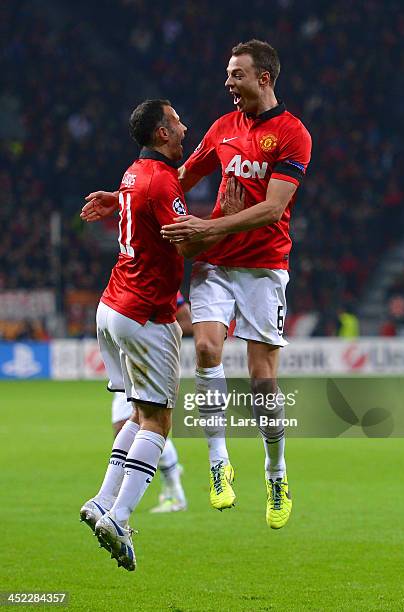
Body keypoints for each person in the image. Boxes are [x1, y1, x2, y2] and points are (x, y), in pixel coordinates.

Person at [81, 39, 312, 530]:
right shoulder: (222, 129)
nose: (228, 82)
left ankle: (276, 472)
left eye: (236, 74)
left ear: (264, 78)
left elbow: (273, 209)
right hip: (216, 266)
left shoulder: (293, 135)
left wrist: (211, 226)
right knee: (206, 349)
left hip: (265, 268)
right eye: (228, 74)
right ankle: (217, 462)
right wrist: (124, 197)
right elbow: (177, 178)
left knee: (262, 381)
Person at [80, 98, 243, 571]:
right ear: (159, 135)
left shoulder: (135, 174)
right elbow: (187, 242)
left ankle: (103, 500)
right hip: (146, 313)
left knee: (138, 413)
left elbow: (146, 210)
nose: (184, 127)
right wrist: (223, 219)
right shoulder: (161, 181)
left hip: (112, 306)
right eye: (175, 123)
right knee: (159, 422)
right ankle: (120, 518)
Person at [111, 291, 192, 513]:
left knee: (142, 424)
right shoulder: (124, 275)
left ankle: (174, 491)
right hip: (130, 358)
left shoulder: (158, 281)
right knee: (127, 428)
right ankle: (171, 473)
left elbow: (187, 320)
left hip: (151, 360)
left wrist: (154, 334)